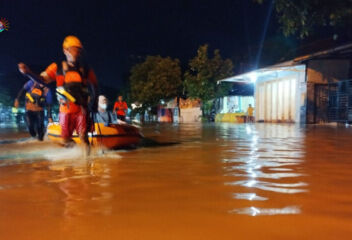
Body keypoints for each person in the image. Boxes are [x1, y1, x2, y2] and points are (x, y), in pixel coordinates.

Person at [18, 35, 98, 151]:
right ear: (65, 50)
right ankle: (77, 154)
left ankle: (88, 162)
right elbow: (42, 79)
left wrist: (94, 104)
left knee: (84, 137)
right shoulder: (57, 67)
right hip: (65, 109)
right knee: (64, 140)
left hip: (82, 109)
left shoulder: (86, 69)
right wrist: (28, 73)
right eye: (74, 49)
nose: (76, 52)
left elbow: (95, 86)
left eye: (78, 50)